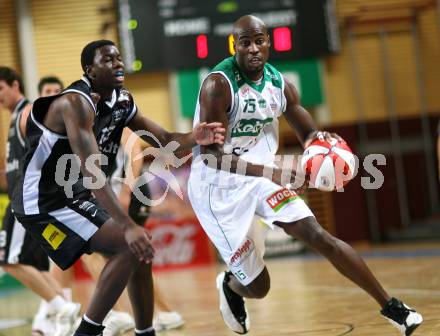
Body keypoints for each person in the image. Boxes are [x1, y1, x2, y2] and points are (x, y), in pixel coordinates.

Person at [187, 15, 423, 336]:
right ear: (235, 46)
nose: (254, 49)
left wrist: (326, 153)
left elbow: (310, 133)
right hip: (217, 189)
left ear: (269, 42)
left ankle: (393, 308)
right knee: (258, 287)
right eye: (245, 43)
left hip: (259, 180)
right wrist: (271, 169)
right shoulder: (218, 85)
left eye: (260, 41)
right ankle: (230, 284)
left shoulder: (279, 84)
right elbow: (211, 156)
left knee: (317, 234)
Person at [11, 40, 224, 336]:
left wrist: (193, 136)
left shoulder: (122, 101)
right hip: (43, 201)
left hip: (73, 195)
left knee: (141, 250)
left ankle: (145, 330)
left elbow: (164, 139)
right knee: (129, 244)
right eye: (108, 59)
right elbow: (92, 172)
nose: (117, 63)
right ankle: (87, 331)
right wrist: (127, 226)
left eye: (119, 58)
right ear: (90, 70)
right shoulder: (76, 103)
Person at [0, 66, 81, 336]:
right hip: (21, 198)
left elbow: (49, 155)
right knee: (35, 265)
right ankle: (63, 306)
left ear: (15, 85)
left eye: (0, 88)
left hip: (27, 201)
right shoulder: (14, 118)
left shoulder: (28, 112)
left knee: (7, 260)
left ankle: (61, 305)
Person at [110, 128, 185, 332]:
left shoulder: (118, 119)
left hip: (130, 194)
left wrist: (126, 190)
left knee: (128, 256)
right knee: (129, 258)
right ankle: (164, 313)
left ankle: (120, 313)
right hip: (119, 194)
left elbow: (134, 149)